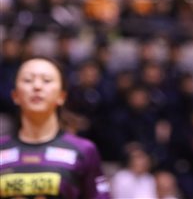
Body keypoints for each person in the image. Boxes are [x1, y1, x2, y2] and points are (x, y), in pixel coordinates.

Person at [0, 56, 111, 198]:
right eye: (28, 80)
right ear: (15, 95)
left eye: (47, 80)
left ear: (62, 96)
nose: (37, 87)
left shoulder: (84, 150)